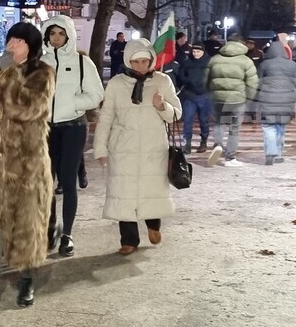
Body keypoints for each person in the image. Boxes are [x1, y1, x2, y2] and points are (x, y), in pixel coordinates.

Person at [0, 23, 55, 317]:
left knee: (27, 223)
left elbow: (26, 106)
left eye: (20, 40)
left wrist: (10, 72)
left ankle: (27, 279)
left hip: (27, 163)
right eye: (10, 39)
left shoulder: (42, 73)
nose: (13, 45)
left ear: (32, 46)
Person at [93, 39, 182, 256]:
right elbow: (106, 117)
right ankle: (129, 239)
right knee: (125, 193)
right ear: (128, 61)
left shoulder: (163, 80)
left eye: (145, 61)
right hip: (123, 146)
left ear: (152, 60)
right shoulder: (116, 83)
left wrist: (163, 106)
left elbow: (176, 114)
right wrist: (101, 148)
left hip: (154, 147)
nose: (141, 65)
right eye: (136, 61)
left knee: (151, 189)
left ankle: (153, 225)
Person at [41, 15, 103, 257]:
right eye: (52, 33)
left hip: (73, 127)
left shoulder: (81, 62)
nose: (56, 38)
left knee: (68, 181)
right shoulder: (40, 62)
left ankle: (67, 233)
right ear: (46, 35)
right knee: (46, 183)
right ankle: (49, 227)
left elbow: (96, 93)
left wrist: (75, 104)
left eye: (61, 33)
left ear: (68, 36)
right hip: (45, 129)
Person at [255, 42, 296, 165]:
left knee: (268, 126)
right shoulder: (292, 65)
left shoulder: (264, 65)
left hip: (267, 99)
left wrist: (252, 99)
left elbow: (257, 84)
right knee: (281, 127)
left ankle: (271, 151)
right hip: (286, 101)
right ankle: (278, 154)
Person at [206, 35, 259, 166]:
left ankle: (218, 145)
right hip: (237, 99)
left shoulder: (214, 59)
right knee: (234, 129)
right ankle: (230, 158)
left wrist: (211, 94)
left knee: (219, 124)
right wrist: (248, 99)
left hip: (218, 98)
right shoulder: (246, 61)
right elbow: (252, 83)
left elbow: (206, 79)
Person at [177, 41, 212, 153]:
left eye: (198, 51)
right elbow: (181, 75)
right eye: (194, 51)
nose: (196, 54)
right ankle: (187, 143)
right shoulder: (188, 62)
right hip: (190, 95)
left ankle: (204, 141)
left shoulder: (210, 62)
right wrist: (187, 81)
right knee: (187, 120)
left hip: (204, 95)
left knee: (204, 120)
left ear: (203, 51)